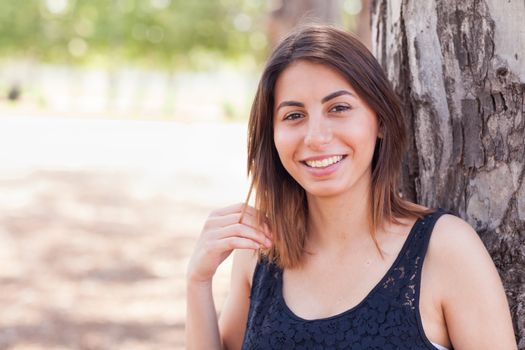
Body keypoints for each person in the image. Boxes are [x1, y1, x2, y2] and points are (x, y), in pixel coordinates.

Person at [185, 25, 517, 349]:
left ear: (381, 122)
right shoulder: (260, 251)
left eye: (339, 108)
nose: (316, 137)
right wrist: (198, 281)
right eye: (293, 115)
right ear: (272, 135)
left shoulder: (446, 250)